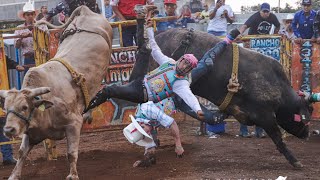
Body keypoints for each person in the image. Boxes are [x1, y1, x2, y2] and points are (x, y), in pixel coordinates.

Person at [123, 98, 182, 167]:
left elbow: (172, 123)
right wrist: (145, 160)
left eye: (146, 133)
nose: (148, 134)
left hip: (177, 96)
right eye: (145, 135)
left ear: (141, 124)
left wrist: (178, 145)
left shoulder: (147, 109)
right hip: (172, 104)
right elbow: (150, 146)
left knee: (196, 111)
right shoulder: (142, 123)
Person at [0, 55, 24, 166]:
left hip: (1, 94)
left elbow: (8, 60)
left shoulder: (1, 56)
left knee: (3, 125)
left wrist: (16, 65)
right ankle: (7, 156)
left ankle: (7, 157)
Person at [14, 0, 46, 74]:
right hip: (28, 58)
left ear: (34, 15)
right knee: (29, 80)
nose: (30, 16)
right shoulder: (19, 28)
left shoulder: (42, 26)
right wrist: (21, 37)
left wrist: (31, 34)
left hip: (41, 56)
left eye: (32, 14)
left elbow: (47, 39)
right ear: (24, 16)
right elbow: (16, 46)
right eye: (28, 15)